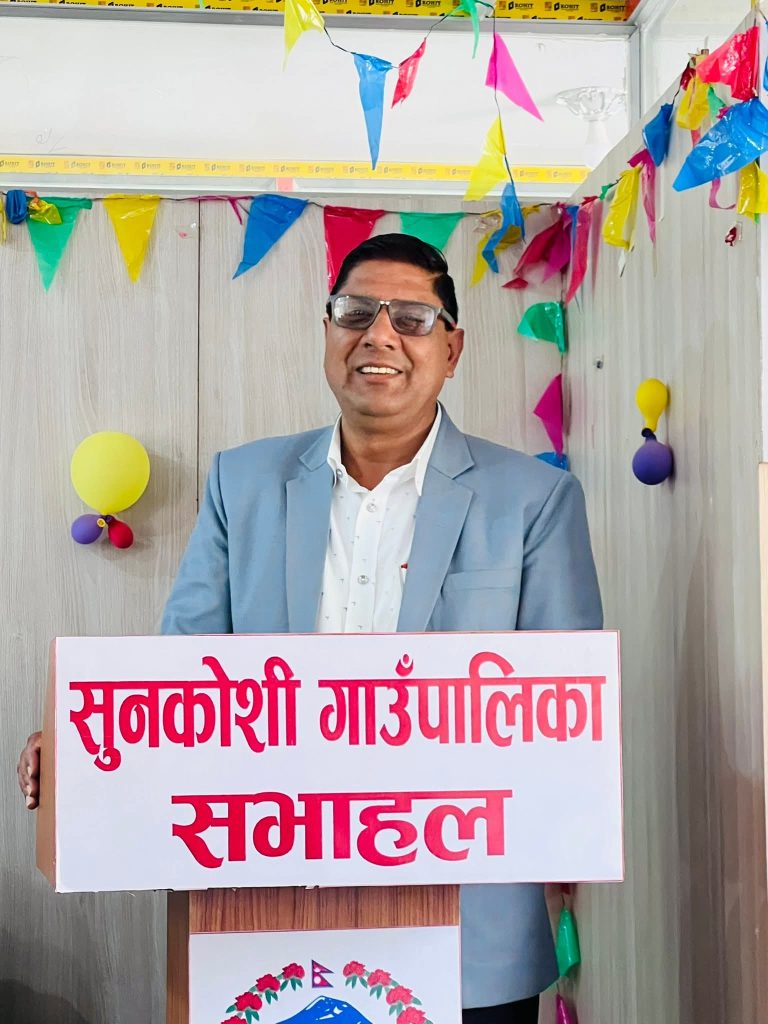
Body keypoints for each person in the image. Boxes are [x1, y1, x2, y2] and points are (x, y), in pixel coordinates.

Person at [19, 233, 602, 1024]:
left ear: (452, 349)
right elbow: (176, 684)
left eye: (411, 319)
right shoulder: (242, 484)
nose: (379, 335)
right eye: (355, 312)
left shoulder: (534, 501)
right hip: (267, 915)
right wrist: (84, 749)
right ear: (328, 332)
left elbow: (565, 726)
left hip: (470, 933)